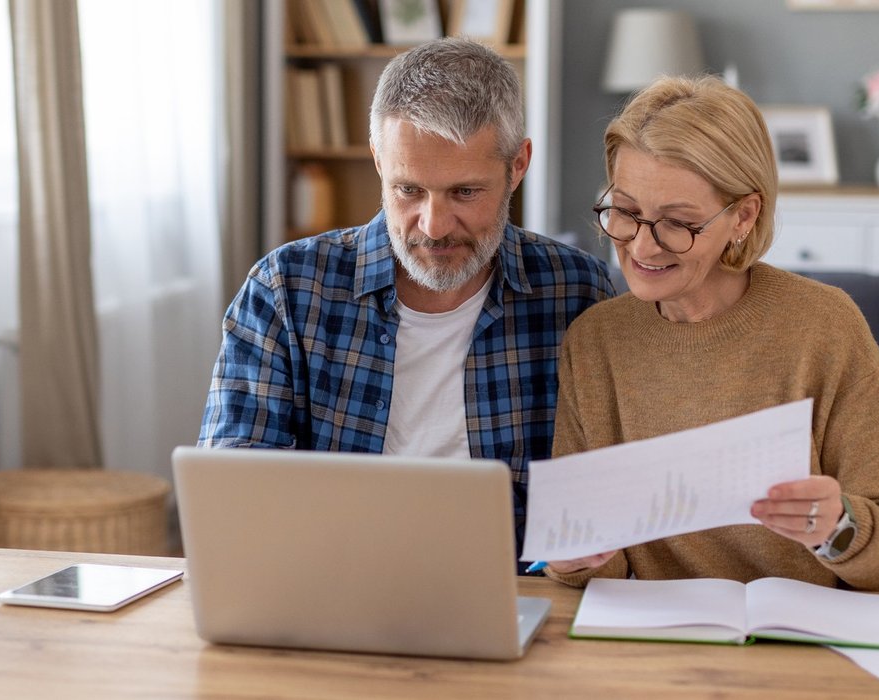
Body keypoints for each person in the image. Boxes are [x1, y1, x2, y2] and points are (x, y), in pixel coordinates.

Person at [198, 38, 614, 551]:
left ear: (517, 165)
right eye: (409, 190)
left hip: (513, 590)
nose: (434, 226)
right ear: (378, 160)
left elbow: (603, 483)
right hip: (331, 580)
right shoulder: (285, 289)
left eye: (465, 192)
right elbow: (233, 483)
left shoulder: (577, 293)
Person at [543, 75, 879, 593]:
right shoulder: (596, 341)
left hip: (823, 638)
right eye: (625, 212)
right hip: (673, 640)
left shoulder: (823, 325)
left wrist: (838, 527)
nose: (642, 247)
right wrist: (578, 557)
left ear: (743, 216)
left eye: (677, 223)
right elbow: (599, 567)